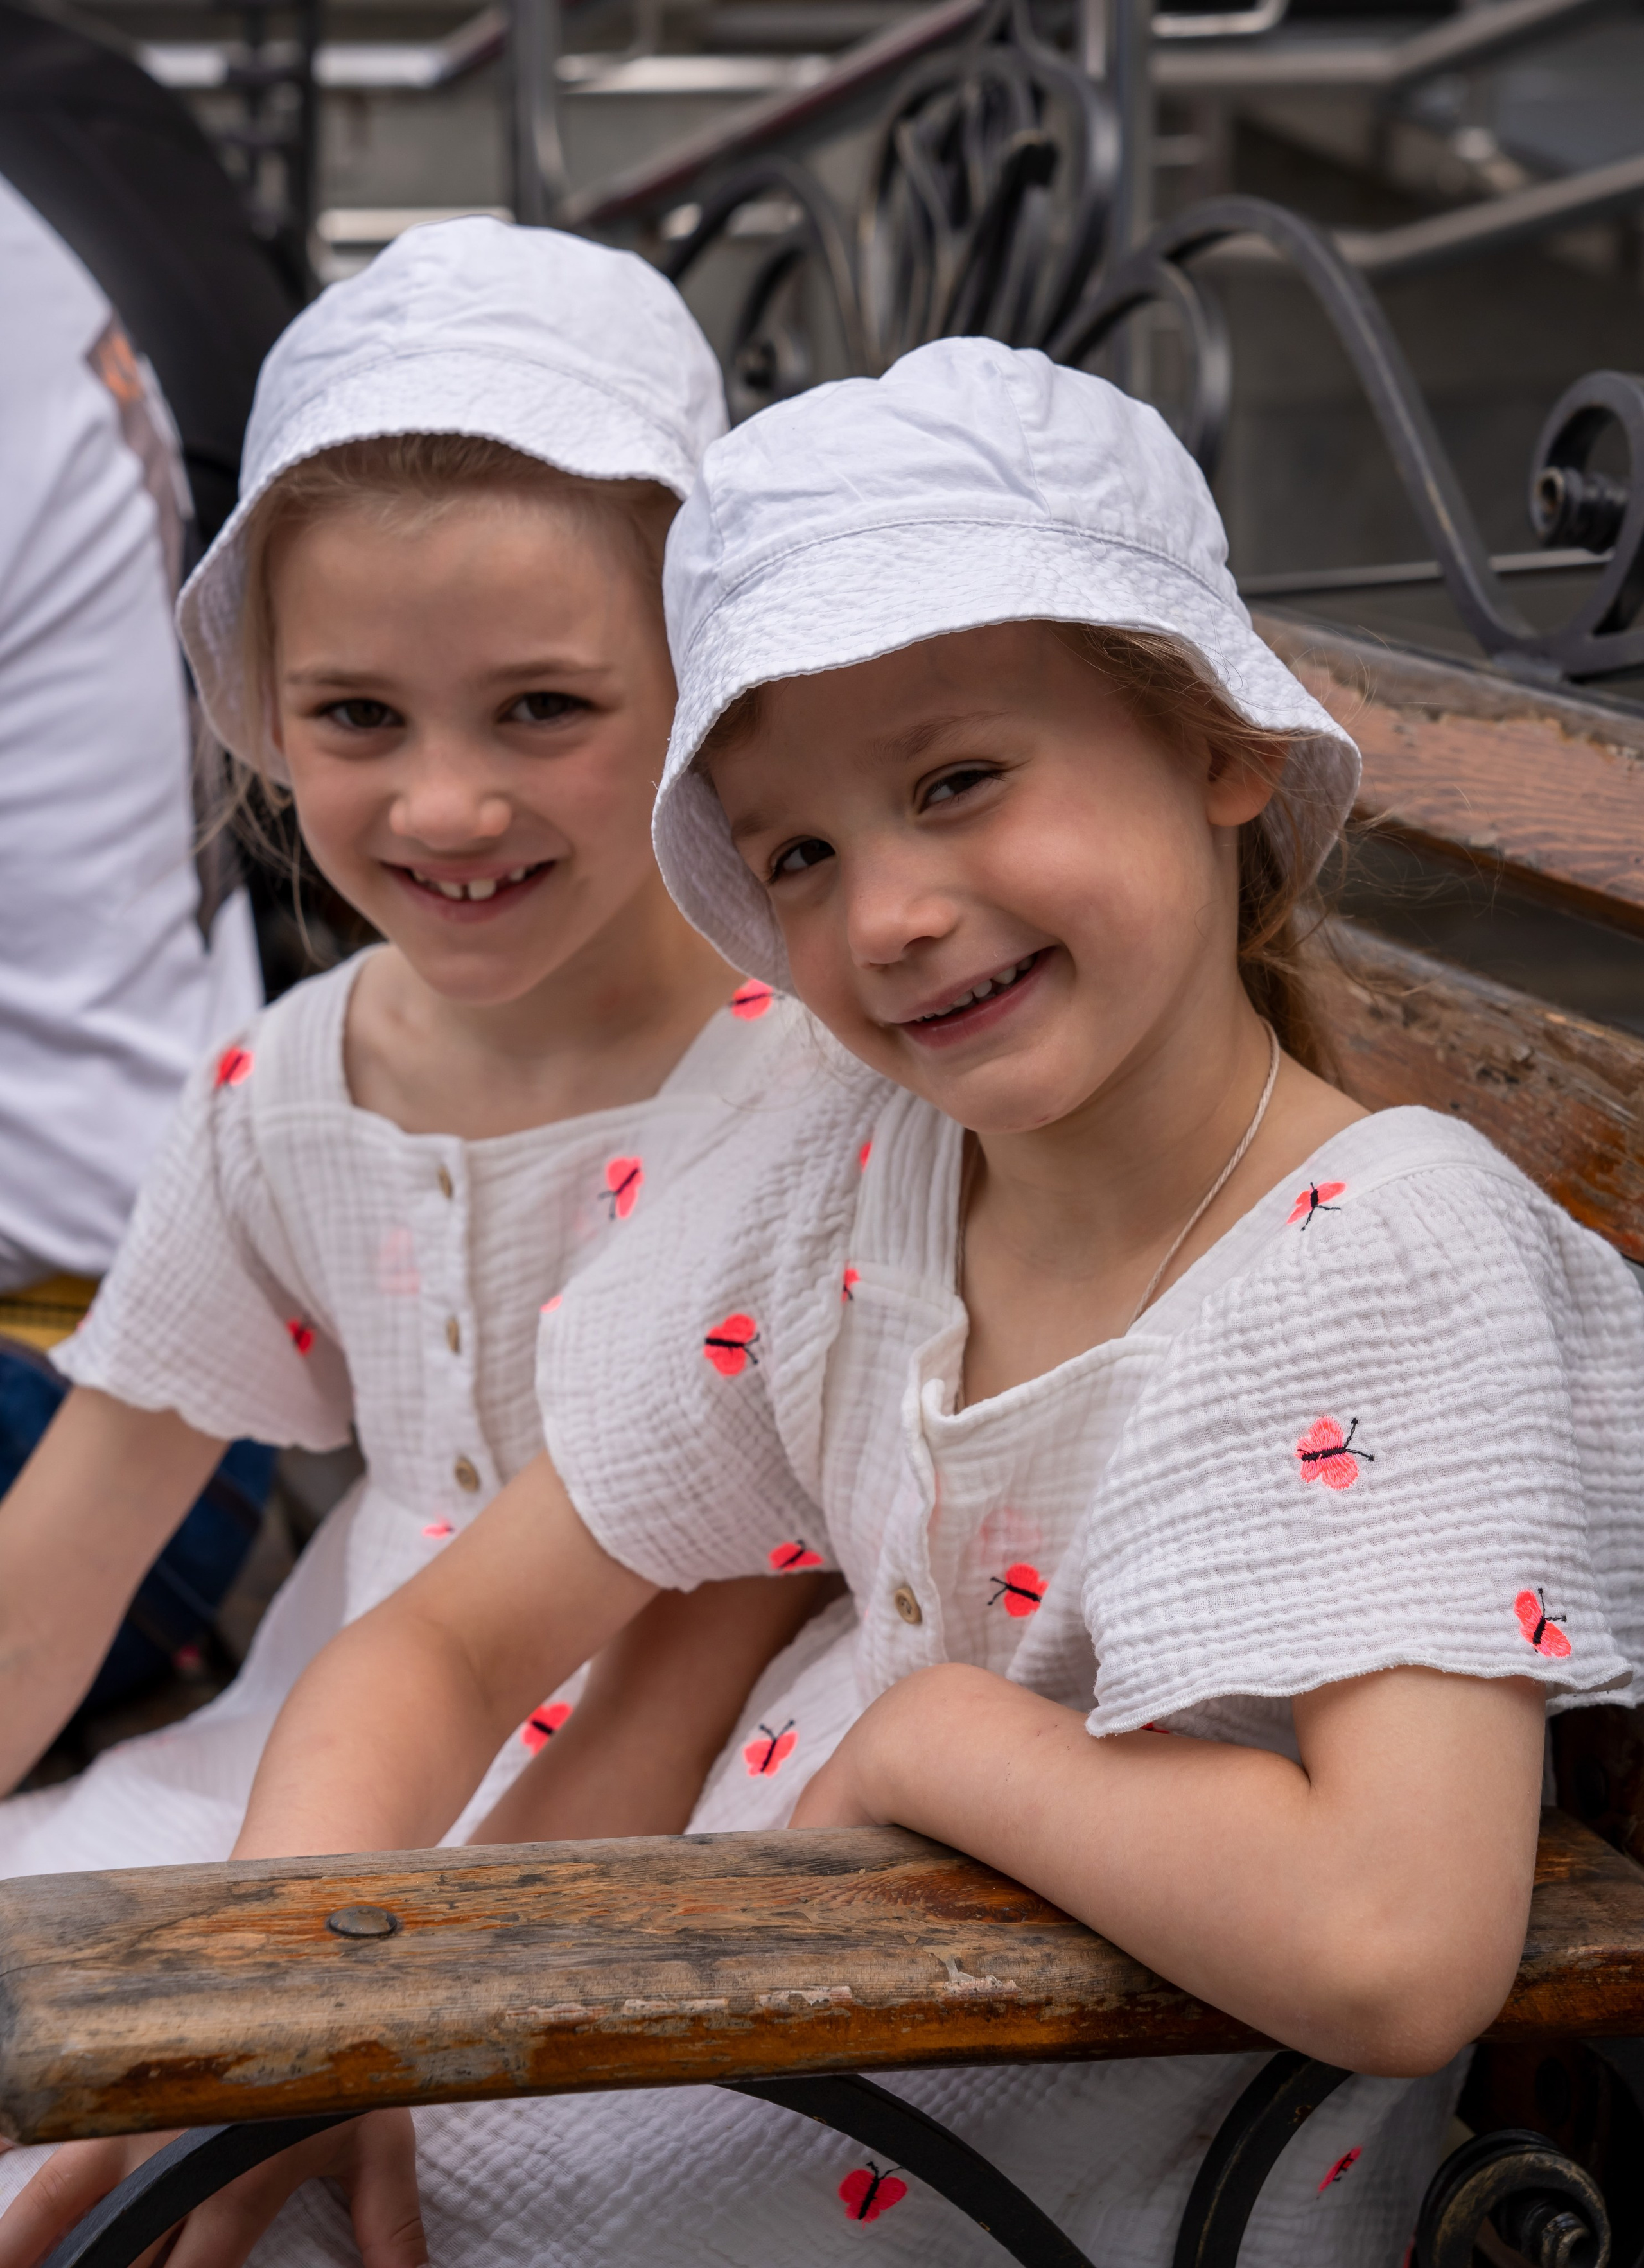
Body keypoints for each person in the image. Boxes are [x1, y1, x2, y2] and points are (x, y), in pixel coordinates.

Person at [13, 336, 1644, 2268]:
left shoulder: (1380, 1247)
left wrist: (943, 1736)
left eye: (959, 779)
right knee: (160, 2165)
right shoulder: (865, 1164)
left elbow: (1396, 1946)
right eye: (800, 850)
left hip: (1027, 2134)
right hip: (790, 1998)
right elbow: (445, 1646)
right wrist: (299, 2028)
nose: (885, 916)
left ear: (1222, 744)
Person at [0, 216, 839, 2237]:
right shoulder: (301, 1083)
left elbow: (697, 1645)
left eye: (542, 709)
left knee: (407, 2175)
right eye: (357, 717)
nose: (444, 806)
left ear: (699, 679)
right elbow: (71, 1542)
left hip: (698, 1811)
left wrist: (372, 2010)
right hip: (335, 1758)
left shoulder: (815, 1078)